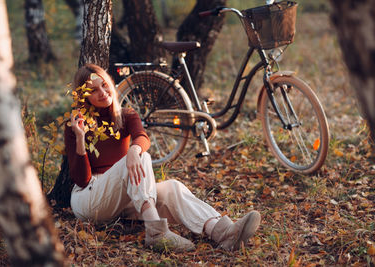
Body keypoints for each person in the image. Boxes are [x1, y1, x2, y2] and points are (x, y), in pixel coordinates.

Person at [65, 63, 261, 252]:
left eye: (105, 85)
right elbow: (81, 179)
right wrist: (80, 138)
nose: (102, 92)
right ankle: (156, 232)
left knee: (172, 187)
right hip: (89, 199)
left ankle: (223, 233)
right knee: (141, 158)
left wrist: (133, 150)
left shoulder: (125, 115)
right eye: (94, 90)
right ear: (84, 96)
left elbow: (142, 137)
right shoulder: (76, 125)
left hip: (124, 197)